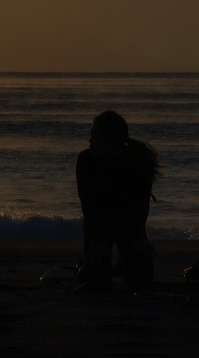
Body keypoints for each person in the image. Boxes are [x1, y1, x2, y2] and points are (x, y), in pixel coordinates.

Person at [75, 110, 162, 291]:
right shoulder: (85, 161)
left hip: (129, 224)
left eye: (95, 136)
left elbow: (139, 206)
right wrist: (97, 241)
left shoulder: (137, 162)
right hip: (98, 223)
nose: (90, 141)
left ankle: (124, 264)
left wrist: (137, 238)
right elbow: (89, 206)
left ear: (110, 140)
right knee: (95, 284)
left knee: (142, 283)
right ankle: (86, 264)